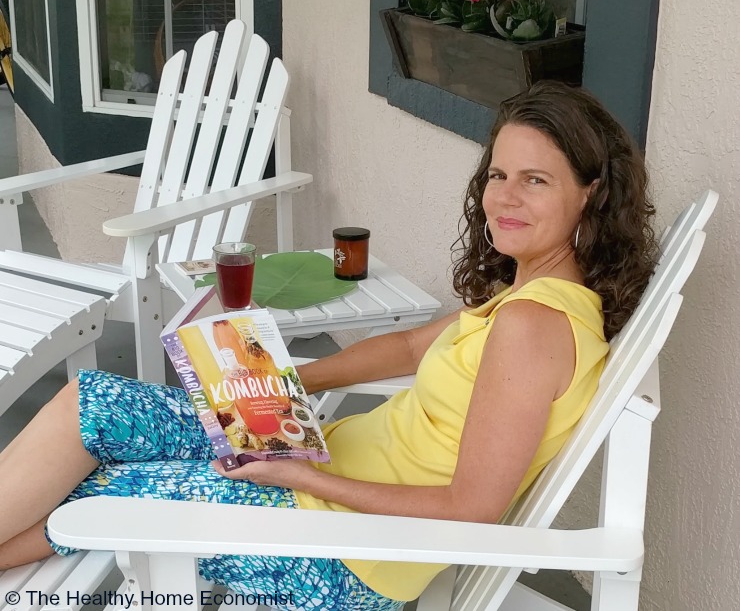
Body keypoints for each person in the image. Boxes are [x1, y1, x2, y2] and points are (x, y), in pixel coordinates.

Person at [0, 81, 658, 610]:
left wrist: (302, 476)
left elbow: (472, 508)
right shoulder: (522, 299)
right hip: (315, 464)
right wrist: (286, 384)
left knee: (110, 491)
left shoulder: (533, 328)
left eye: (536, 180)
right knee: (95, 404)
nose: (503, 198)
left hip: (340, 554)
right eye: (499, 174)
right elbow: (405, 350)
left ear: (591, 193)